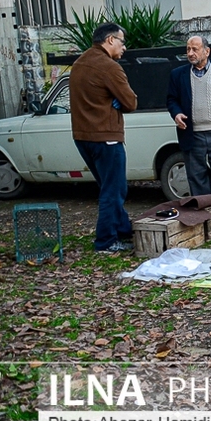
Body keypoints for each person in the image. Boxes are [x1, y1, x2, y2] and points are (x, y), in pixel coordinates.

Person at [69, 22, 138, 253]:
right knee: (114, 190)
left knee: (107, 186)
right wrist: (118, 103)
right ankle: (106, 241)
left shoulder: (79, 64)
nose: (124, 47)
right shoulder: (109, 66)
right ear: (109, 40)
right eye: (122, 41)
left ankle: (123, 230)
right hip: (106, 136)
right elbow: (131, 102)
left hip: (82, 136)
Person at [167, 35, 211, 196]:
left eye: (195, 49)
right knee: (196, 179)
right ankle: (203, 218)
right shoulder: (178, 75)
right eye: (188, 49)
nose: (190, 53)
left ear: (207, 52)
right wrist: (176, 113)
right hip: (192, 134)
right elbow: (172, 100)